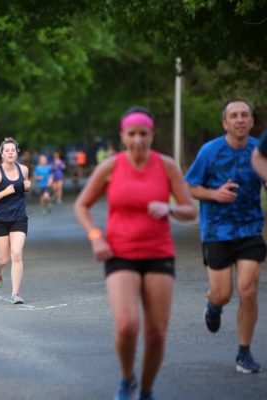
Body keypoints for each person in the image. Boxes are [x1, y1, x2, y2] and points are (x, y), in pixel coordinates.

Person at [74, 106, 197, 400]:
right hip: (121, 253)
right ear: (122, 136)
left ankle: (146, 389)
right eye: (132, 134)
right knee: (127, 325)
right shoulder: (111, 167)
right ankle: (127, 378)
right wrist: (96, 238)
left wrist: (169, 208)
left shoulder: (166, 166)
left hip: (158, 253)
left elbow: (190, 209)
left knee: (156, 333)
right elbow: (82, 205)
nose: (138, 140)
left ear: (152, 134)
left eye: (144, 133)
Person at [185, 100, 265, 374]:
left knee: (248, 290)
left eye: (244, 115)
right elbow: (189, 186)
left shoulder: (259, 151)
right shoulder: (210, 151)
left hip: (250, 229)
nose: (240, 120)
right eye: (234, 116)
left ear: (251, 122)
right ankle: (213, 305)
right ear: (225, 123)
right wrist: (214, 194)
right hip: (217, 231)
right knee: (223, 294)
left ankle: (244, 353)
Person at [0, 137, 31, 304]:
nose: (10, 153)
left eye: (13, 150)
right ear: (2, 154)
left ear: (16, 153)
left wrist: (27, 187)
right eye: (7, 150)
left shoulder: (24, 170)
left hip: (19, 217)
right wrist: (4, 192)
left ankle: (15, 293)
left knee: (16, 254)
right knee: (4, 259)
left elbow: (22, 190)